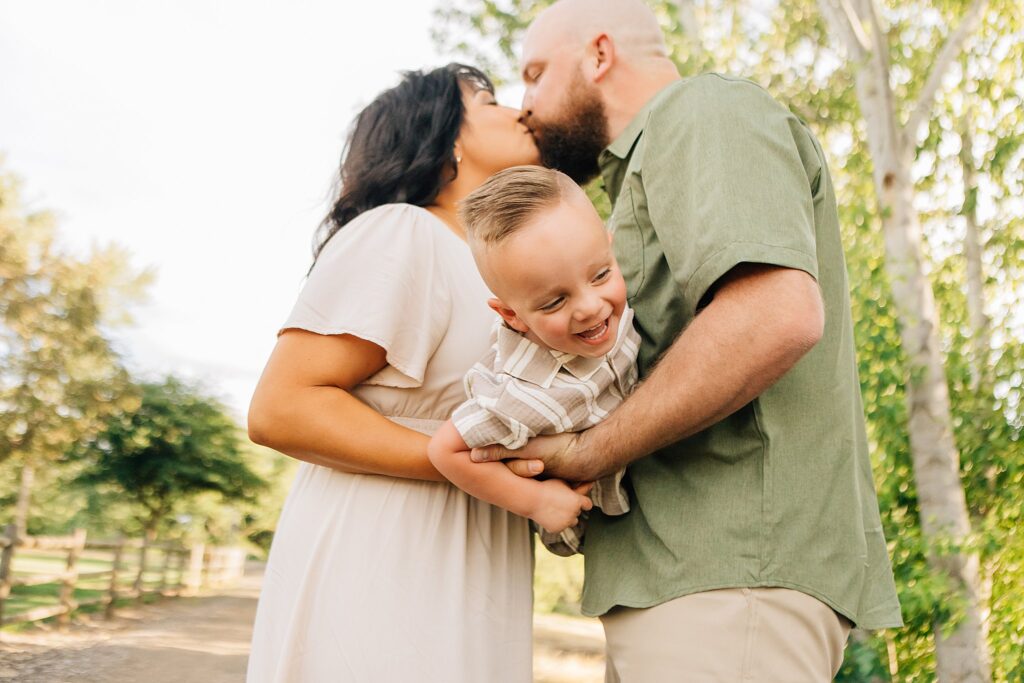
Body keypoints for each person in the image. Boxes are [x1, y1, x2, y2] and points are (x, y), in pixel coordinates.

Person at [471, 0, 904, 679]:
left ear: (600, 55)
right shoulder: (633, 183)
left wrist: (584, 453)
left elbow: (775, 315)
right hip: (687, 584)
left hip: (731, 583)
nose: (526, 104)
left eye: (535, 73)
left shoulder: (700, 113)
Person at [245, 63, 554, 683]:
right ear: (448, 138)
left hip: (480, 550)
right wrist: (473, 465)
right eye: (489, 100)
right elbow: (282, 406)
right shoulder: (402, 231)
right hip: (388, 545)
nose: (517, 107)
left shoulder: (502, 271)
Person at [427, 165, 639, 556]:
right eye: (556, 301)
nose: (591, 307)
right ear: (513, 316)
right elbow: (444, 449)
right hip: (599, 528)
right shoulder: (517, 393)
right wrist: (535, 502)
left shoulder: (625, 307)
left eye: (600, 275)